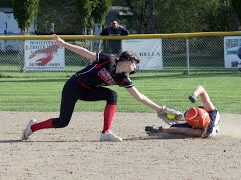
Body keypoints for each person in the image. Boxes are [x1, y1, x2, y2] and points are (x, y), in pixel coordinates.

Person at [22, 34, 181, 142]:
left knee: (112, 96)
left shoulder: (122, 78)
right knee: (63, 121)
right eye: (134, 63)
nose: (135, 66)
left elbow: (140, 96)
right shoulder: (109, 60)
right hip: (74, 86)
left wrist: (160, 109)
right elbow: (85, 53)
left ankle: (106, 132)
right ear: (127, 60)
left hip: (88, 91)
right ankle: (33, 126)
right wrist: (63, 44)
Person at [145, 85, 220, 138]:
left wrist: (160, 130)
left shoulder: (201, 132)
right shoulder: (210, 110)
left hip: (202, 127)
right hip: (201, 119)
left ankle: (182, 117)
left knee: (173, 127)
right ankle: (180, 115)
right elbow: (201, 88)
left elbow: (182, 130)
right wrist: (194, 95)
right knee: (180, 116)